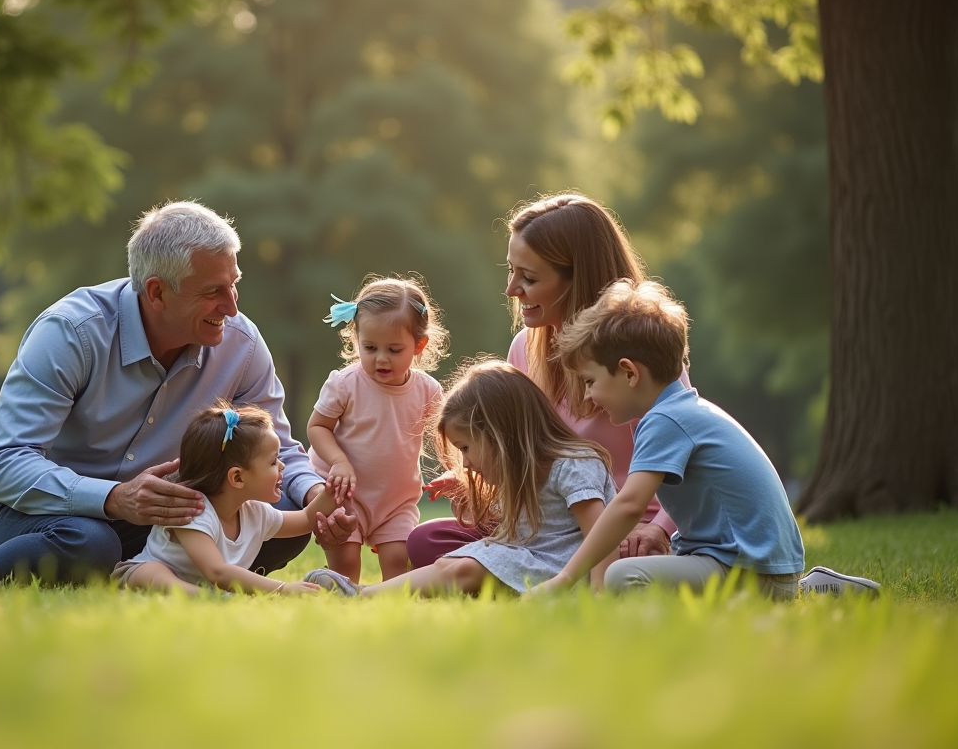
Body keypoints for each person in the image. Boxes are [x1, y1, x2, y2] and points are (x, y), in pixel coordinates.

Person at [0, 201, 356, 591]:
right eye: (214, 292)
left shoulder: (242, 343)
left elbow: (280, 450)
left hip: (146, 516)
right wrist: (114, 498)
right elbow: (1, 463)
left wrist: (314, 495)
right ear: (156, 292)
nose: (231, 308)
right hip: (11, 508)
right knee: (90, 541)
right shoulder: (71, 332)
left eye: (234, 286)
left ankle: (145, 578)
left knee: (272, 528)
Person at [410, 193, 679, 567]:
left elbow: (683, 455)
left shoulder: (640, 354)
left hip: (623, 531)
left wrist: (659, 530)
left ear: (578, 279)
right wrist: (478, 474)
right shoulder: (524, 349)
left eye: (529, 278)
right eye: (511, 270)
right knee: (428, 539)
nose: (511, 289)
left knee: (623, 562)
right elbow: (521, 449)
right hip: (549, 526)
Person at [533, 279, 805, 599]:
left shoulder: (665, 420)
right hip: (757, 568)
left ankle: (791, 593)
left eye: (590, 381)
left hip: (750, 574)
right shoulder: (681, 409)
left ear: (629, 373)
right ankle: (817, 588)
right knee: (636, 565)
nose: (589, 396)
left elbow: (630, 505)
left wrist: (564, 578)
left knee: (621, 576)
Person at [304, 359, 618, 597]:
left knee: (468, 568)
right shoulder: (521, 473)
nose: (465, 462)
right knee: (450, 565)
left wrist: (601, 594)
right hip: (528, 560)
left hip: (562, 570)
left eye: (466, 448)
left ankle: (363, 597)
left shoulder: (574, 464)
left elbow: (604, 534)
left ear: (500, 434)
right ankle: (361, 594)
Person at [115, 403, 344, 595]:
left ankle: (207, 596)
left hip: (209, 586)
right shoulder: (193, 512)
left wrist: (332, 491)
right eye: (273, 462)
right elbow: (218, 571)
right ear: (237, 477)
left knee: (216, 590)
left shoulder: (255, 512)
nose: (282, 466)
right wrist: (283, 589)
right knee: (153, 571)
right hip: (145, 574)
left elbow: (306, 518)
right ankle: (197, 596)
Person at [306, 277, 447, 582]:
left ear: (419, 345)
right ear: (357, 339)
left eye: (394, 349)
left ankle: (391, 618)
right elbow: (317, 427)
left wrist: (452, 471)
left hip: (396, 500)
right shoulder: (345, 384)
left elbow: (445, 438)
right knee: (345, 563)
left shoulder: (428, 391)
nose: (381, 358)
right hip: (345, 495)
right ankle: (345, 609)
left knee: (399, 563)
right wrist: (338, 461)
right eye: (369, 347)